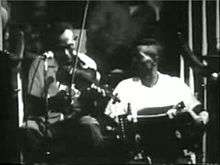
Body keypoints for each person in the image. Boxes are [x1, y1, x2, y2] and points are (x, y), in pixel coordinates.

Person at [105, 38, 209, 164]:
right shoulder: (125, 87)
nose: (135, 61)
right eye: (134, 57)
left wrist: (200, 120)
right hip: (139, 155)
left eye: (139, 57)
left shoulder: (174, 84)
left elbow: (200, 111)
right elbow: (111, 122)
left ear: (155, 59)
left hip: (174, 152)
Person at [19, 22, 104, 163]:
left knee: (90, 126)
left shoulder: (87, 64)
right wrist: (54, 102)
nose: (65, 54)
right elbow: (32, 105)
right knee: (28, 129)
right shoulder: (41, 63)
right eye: (60, 49)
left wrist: (94, 99)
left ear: (75, 42)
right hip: (49, 122)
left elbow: (91, 107)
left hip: (76, 121)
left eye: (69, 47)